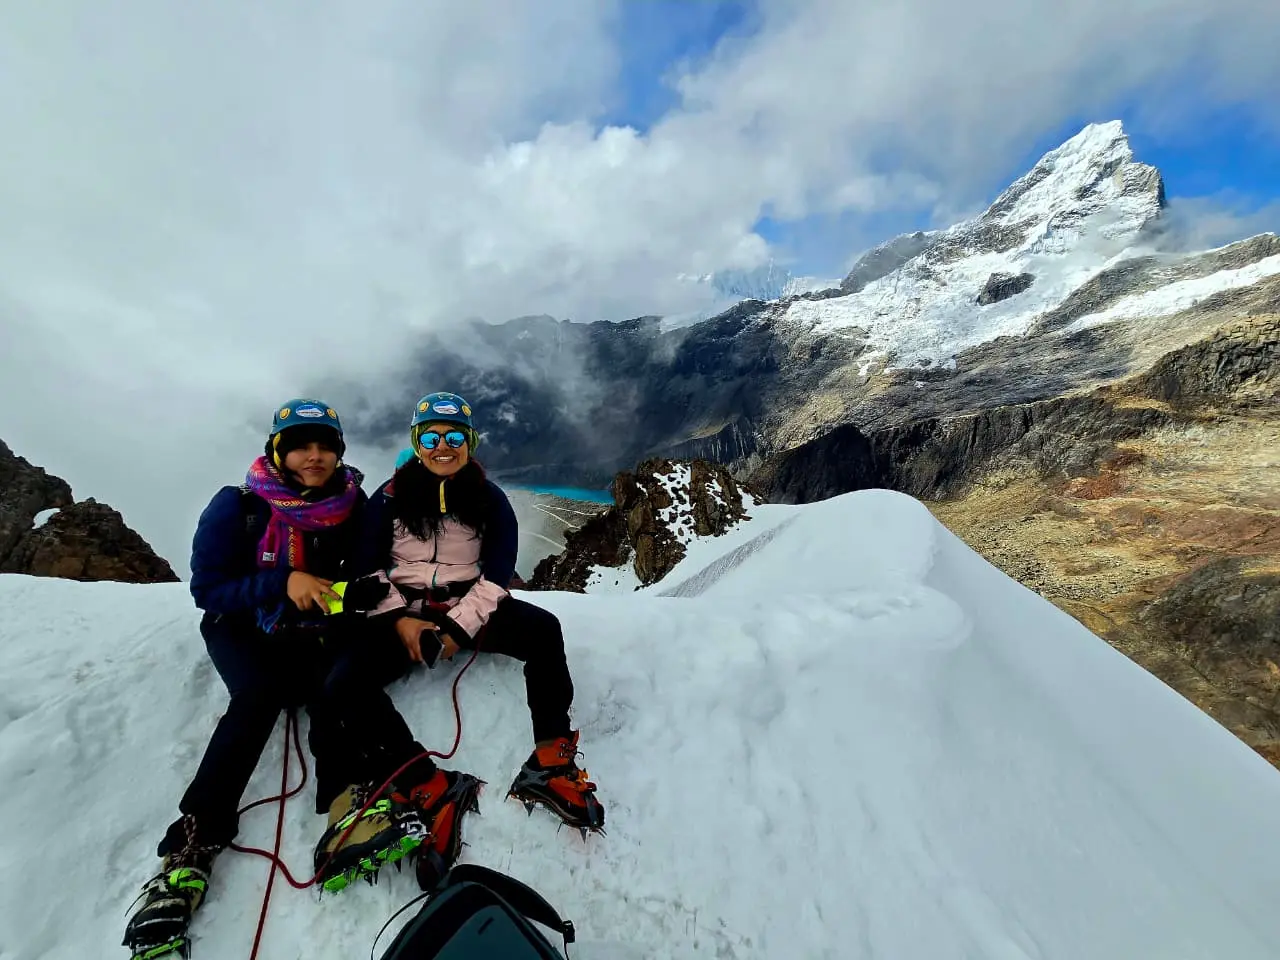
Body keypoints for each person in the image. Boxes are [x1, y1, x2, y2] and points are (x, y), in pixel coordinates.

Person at [122, 400, 474, 960]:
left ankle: (345, 806)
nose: (314, 456)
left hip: (315, 621)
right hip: (243, 627)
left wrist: (357, 600)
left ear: (338, 450)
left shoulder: (352, 504)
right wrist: (282, 583)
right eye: (301, 446)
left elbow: (356, 577)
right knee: (258, 697)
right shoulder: (238, 506)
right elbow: (208, 591)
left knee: (331, 687)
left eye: (325, 446)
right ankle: (191, 845)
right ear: (278, 451)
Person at [340, 391, 605, 838]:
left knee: (543, 632)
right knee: (343, 684)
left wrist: (457, 629)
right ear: (417, 442)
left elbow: (498, 575)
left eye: (454, 437)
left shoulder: (489, 499)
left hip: (468, 606)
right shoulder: (387, 500)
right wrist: (402, 620)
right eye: (432, 437)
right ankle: (421, 780)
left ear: (470, 442)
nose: (443, 446)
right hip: (402, 611)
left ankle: (550, 760)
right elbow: (368, 567)